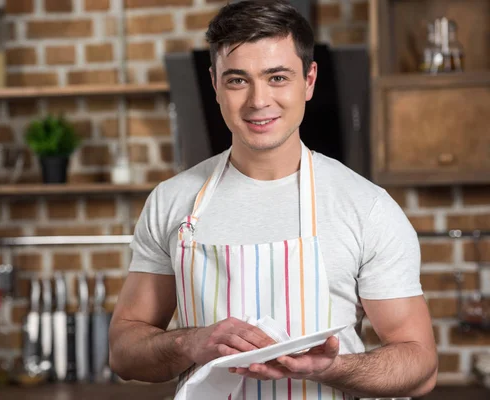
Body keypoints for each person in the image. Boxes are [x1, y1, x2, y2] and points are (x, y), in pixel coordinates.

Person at [108, 0, 438, 399]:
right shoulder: (172, 201)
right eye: (237, 80)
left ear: (309, 80)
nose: (258, 101)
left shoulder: (366, 207)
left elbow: (420, 364)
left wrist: (333, 368)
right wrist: (189, 343)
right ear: (214, 84)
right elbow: (124, 352)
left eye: (277, 77)